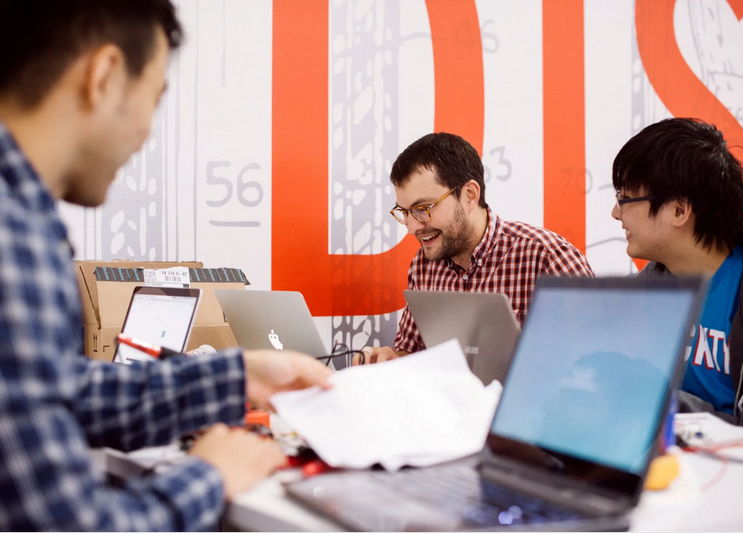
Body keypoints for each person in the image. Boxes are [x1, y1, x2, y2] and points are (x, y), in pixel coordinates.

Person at [0, 1, 332, 530]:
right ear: (104, 76)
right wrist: (212, 476)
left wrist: (237, 375)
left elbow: (59, 392)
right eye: (153, 100)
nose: (147, 133)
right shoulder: (13, 238)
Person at [611, 117, 743, 433]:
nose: (616, 213)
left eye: (625, 199)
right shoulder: (648, 289)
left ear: (679, 211)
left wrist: (660, 404)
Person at [355, 132, 594, 365]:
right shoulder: (424, 263)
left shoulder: (548, 258)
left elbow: (599, 359)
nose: (412, 227)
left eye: (423, 208)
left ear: (469, 195)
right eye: (405, 213)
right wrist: (390, 360)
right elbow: (413, 354)